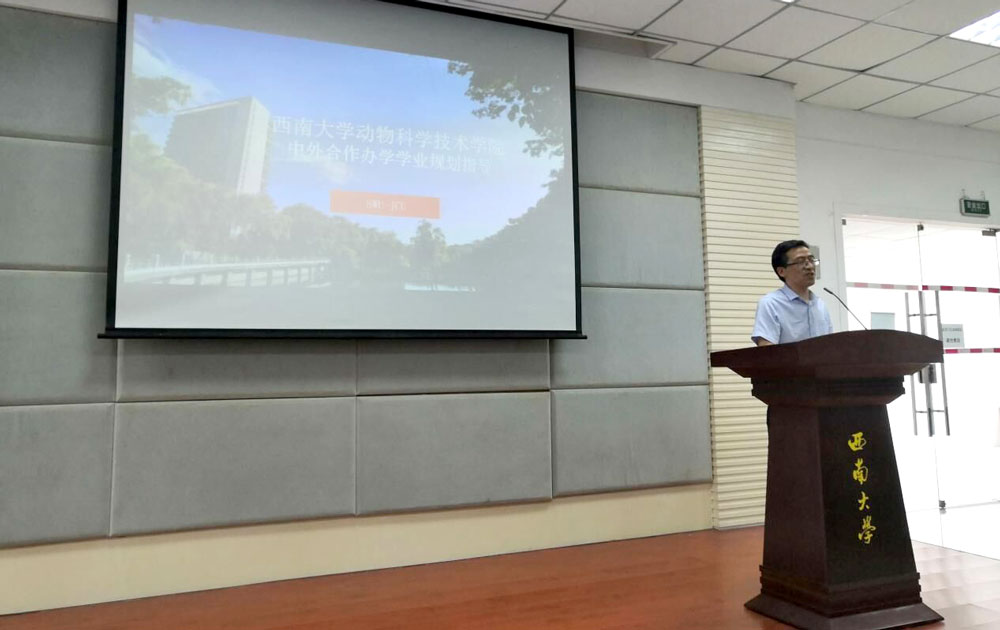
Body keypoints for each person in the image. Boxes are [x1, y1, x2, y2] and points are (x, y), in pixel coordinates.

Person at [751, 239, 833, 346]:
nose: (810, 266)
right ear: (781, 271)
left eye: (811, 260)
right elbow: (766, 348)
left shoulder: (820, 304)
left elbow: (830, 345)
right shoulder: (771, 304)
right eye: (801, 261)